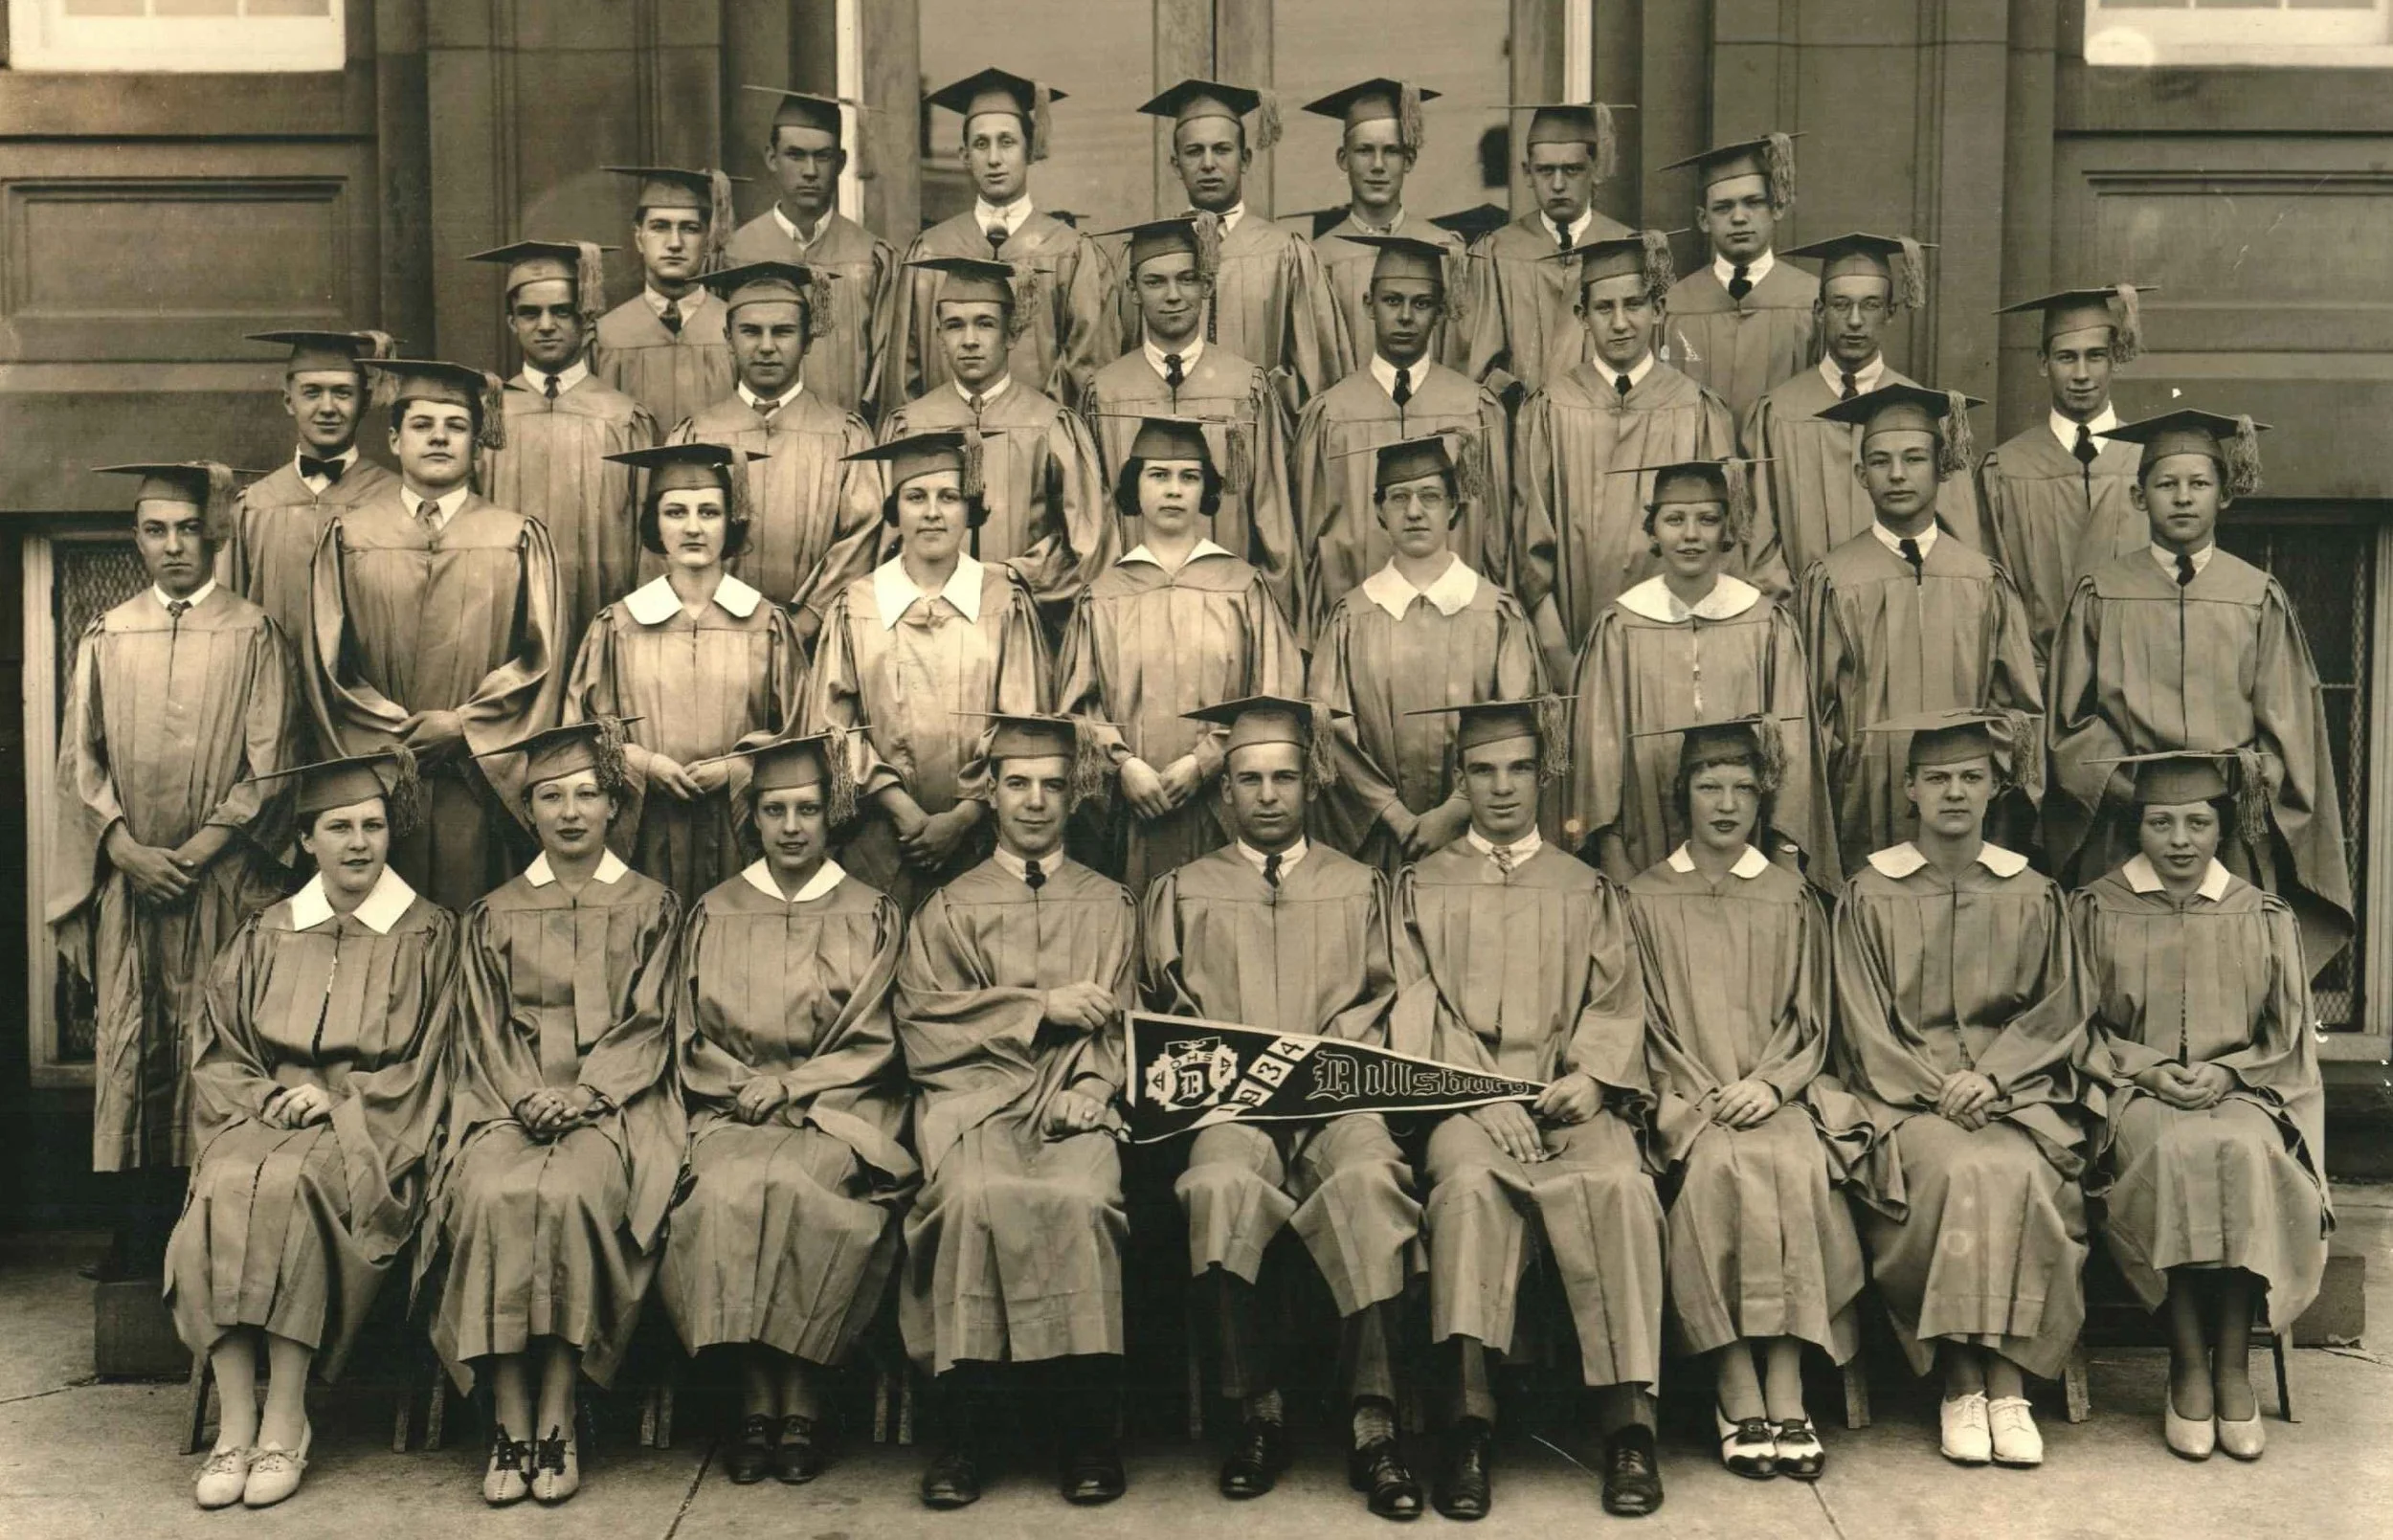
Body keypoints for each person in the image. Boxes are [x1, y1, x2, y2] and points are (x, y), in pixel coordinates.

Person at [1141, 696, 1425, 1521]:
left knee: (1371, 1180)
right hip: (1232, 1106)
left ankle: (1374, 1421)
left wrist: (1322, 1062)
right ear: (1223, 791)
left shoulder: (1360, 886)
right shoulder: (1184, 890)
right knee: (1216, 1187)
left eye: (1285, 778)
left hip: (1339, 1098)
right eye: (1250, 779)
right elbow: (1164, 1011)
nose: (1268, 795)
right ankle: (1257, 1409)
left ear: (1311, 784)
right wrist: (1237, 1073)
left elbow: (1390, 998)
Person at [1387, 697, 1665, 1521]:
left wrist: (1595, 1079)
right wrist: (1477, 1094)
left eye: (1517, 769)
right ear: (1460, 780)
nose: (1502, 787)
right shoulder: (1420, 886)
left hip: (1569, 1102)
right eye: (1482, 770)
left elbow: (1617, 999)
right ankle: (1468, 1427)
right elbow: (1415, 1002)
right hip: (1464, 1103)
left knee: (1622, 1186)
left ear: (1544, 777)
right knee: (1469, 1191)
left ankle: (1629, 1430)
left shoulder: (1585, 887)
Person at [168, 748, 454, 1510]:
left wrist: (341, 1101)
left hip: (370, 1132)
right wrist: (268, 1095)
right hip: (261, 1116)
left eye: (373, 826)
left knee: (292, 1183)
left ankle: (287, 1416)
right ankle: (237, 1419)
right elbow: (220, 1049)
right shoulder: (266, 931)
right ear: (305, 840)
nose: (359, 842)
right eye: (339, 827)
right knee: (224, 1179)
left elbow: (433, 1062)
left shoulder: (429, 933)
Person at [1833, 710, 2094, 1470]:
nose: (1955, 791)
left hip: (2017, 1093)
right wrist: (1937, 1087)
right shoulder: (1869, 894)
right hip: (1905, 1101)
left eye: (1971, 777)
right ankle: (1960, 1379)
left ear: (1994, 787)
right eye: (1938, 777)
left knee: (2017, 1169)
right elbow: (1863, 1023)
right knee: (1957, 1169)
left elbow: (2059, 1010)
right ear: (1910, 788)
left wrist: (1995, 1077)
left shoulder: (2032, 893)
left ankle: (2006, 1384)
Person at [430, 720, 682, 1507]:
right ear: (528, 809)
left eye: (586, 794)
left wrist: (585, 1092)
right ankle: (508, 1413)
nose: (570, 812)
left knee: (572, 1193)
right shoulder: (494, 912)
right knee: (490, 1194)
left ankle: (558, 1411)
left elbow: (652, 1021)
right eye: (550, 796)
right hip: (503, 1106)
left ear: (613, 804)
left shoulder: (654, 906)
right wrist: (524, 1095)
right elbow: (482, 1030)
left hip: (615, 1107)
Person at [53, 462, 295, 1280]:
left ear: (213, 533)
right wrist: (123, 848)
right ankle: (139, 1232)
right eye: (156, 530)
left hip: (217, 878)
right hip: (133, 882)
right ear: (136, 539)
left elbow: (269, 764)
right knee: (136, 1036)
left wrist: (194, 853)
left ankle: (217, 1232)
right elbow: (80, 761)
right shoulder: (107, 633)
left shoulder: (255, 633)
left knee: (213, 1038)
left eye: (188, 528)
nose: (174, 545)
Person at [893, 712, 1135, 1508]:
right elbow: (925, 1024)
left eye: (1052, 786)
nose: (1035, 801)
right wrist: (1037, 1006)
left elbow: (1129, 1017)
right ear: (990, 794)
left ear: (1074, 796)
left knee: (1082, 1196)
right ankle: (967, 1431)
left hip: (1077, 1097)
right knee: (971, 1197)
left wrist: (1094, 1087)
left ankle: (1087, 1431)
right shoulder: (949, 906)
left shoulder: (1110, 904)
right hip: (975, 1100)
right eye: (1018, 784)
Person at [660, 731, 913, 1487]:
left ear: (832, 814)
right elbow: (687, 1031)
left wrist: (796, 1086)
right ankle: (753, 1400)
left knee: (806, 1189)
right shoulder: (715, 910)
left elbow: (878, 1032)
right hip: (731, 1108)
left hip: (841, 1108)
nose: (793, 826)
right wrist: (743, 1084)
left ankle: (802, 1399)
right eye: (775, 810)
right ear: (754, 818)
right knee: (725, 1193)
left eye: (807, 808)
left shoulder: (871, 910)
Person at [1624, 718, 1866, 1485]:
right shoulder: (1644, 897)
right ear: (1683, 794)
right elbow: (1644, 1022)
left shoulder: (1791, 895)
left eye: (1742, 788)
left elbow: (1811, 1016)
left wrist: (1769, 1083)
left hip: (1774, 1094)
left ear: (1764, 797)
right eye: (1709, 787)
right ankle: (1734, 1381)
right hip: (1683, 1099)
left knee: (1793, 1159)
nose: (1726, 804)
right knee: (1718, 1168)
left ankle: (1786, 1381)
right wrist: (1701, 1093)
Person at [2072, 750, 2330, 1462]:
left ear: (2222, 828)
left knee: (2243, 1151)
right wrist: (2149, 1070)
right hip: (2133, 1091)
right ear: (2136, 828)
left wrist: (2226, 1070)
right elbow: (2076, 1026)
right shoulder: (2097, 907)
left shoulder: (2260, 913)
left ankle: (2233, 1366)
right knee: (2175, 1153)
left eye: (2197, 822)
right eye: (2161, 822)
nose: (2180, 839)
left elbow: (2285, 1038)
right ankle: (2187, 1362)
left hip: (2245, 1089)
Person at [2045, 408, 2354, 979]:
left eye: (2199, 484)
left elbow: (2289, 725)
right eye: (2166, 484)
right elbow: (2068, 720)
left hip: (2229, 824)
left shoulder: (2255, 596)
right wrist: (2128, 792)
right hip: (2125, 823)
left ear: (2224, 496)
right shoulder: (2102, 593)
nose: (2183, 498)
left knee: (2228, 975)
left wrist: (2245, 784)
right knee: (2119, 973)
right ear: (2139, 497)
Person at [307, 357, 564, 912]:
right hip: (383, 780)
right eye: (422, 425)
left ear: (478, 444)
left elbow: (540, 660)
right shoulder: (349, 535)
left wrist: (464, 725)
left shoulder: (516, 536)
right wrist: (393, 734)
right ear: (394, 440)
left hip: (477, 782)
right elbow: (328, 663)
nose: (439, 438)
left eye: (457, 426)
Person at [1799, 384, 2041, 877]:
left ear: (1941, 466)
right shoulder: (1832, 580)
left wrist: (1982, 778)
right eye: (1880, 461)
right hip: (1860, 805)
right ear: (1860, 475)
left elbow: (2017, 711)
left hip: (1966, 809)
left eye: (1914, 458)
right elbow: (1811, 717)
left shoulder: (1982, 579)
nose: (1897, 474)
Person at [803, 430, 1050, 910]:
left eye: (949, 497)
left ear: (970, 508)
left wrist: (963, 817)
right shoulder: (856, 605)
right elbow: (833, 725)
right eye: (916, 497)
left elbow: (1023, 721)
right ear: (895, 512)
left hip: (986, 835)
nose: (933, 512)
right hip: (882, 837)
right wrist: (901, 809)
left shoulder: (1005, 601)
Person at [1055, 415, 1302, 893]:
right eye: (1158, 475)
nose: (1173, 490)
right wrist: (1124, 766)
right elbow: (1077, 704)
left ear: (1206, 490)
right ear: (1135, 486)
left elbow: (1274, 694)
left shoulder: (1242, 586)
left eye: (1189, 476)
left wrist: (1205, 762)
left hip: (1227, 807)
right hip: (1133, 811)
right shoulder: (1104, 594)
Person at [1568, 458, 1837, 884]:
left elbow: (1793, 742)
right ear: (1652, 530)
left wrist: (1785, 849)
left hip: (1753, 843)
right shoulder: (1620, 626)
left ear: (1728, 527)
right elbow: (1598, 751)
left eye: (1707, 519)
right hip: (1641, 838)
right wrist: (1611, 850)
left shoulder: (1766, 623)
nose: (1690, 535)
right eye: (1674, 519)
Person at [565, 441, 806, 901]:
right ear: (654, 524)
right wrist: (643, 763)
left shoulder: (766, 622)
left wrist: (738, 765)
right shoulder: (618, 624)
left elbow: (800, 729)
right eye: (675, 512)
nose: (693, 528)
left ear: (731, 522)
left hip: (742, 825)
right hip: (647, 822)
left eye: (709, 512)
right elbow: (583, 729)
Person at [1308, 435, 1545, 872]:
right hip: (1379, 842)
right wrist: (1394, 815)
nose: (1414, 511)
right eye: (1399, 497)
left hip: (1477, 837)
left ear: (1453, 506)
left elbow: (1515, 723)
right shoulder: (1351, 617)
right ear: (1379, 510)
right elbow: (1332, 733)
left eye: (1430, 496)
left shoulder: (1496, 613)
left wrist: (1454, 810)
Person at [1515, 232, 1739, 681]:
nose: (1620, 323)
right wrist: (1560, 657)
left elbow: (1723, 545)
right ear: (1582, 317)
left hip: (1679, 651)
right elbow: (1531, 550)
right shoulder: (1551, 409)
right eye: (1604, 308)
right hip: (1572, 647)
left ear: (1658, 309)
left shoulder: (1696, 409)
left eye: (1633, 305)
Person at [879, 254, 1115, 636]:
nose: (969, 340)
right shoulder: (909, 424)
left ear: (1011, 335)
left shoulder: (1050, 425)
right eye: (955, 326)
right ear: (939, 336)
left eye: (985, 324)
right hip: (925, 629)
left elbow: (1088, 545)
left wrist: (1014, 575)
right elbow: (886, 545)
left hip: (1028, 626)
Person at [1086, 215, 1302, 634]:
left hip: (1231, 613)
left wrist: (1266, 620)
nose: (1173, 296)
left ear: (1207, 285)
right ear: (1133, 291)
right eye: (1155, 282)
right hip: (1130, 618)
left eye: (1187, 279)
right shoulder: (1106, 392)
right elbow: (1096, 524)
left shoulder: (1246, 387)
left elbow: (1273, 518)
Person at [1742, 233, 1986, 595]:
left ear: (1890, 312)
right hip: (1803, 613)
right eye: (1841, 305)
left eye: (1870, 305)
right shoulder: (1777, 412)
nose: (1855, 320)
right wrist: (1804, 610)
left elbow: (1957, 540)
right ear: (1819, 311)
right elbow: (1760, 544)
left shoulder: (1928, 411)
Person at [1292, 234, 1513, 617]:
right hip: (1358, 622)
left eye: (1422, 303)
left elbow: (1498, 543)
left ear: (1440, 311)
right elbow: (1308, 548)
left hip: (1458, 622)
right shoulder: (1330, 414)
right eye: (1392, 301)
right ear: (1369, 305)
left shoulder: (1475, 409)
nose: (1406, 317)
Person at [670, 259, 885, 647]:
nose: (766, 347)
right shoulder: (695, 436)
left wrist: (809, 617)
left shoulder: (845, 435)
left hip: (818, 642)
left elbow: (862, 535)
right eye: (751, 331)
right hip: (716, 639)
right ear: (728, 338)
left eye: (783, 332)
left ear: (808, 340)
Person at [886, 68, 1120, 414]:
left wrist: (1040, 431)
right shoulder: (929, 250)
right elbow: (905, 376)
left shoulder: (1069, 250)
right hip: (945, 437)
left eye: (1007, 142)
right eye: (981, 144)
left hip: (1042, 438)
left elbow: (1086, 366)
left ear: (1030, 150)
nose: (994, 158)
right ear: (964, 156)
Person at [469, 238, 658, 652]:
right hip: (507, 619)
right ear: (511, 323)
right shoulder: (486, 417)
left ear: (586, 320)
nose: (546, 325)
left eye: (561, 311)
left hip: (608, 623)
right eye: (530, 313)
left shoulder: (625, 418)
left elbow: (652, 541)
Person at [1135, 78, 1350, 414]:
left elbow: (1319, 378)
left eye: (1222, 149)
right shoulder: (1150, 256)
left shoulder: (1286, 254)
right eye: (1194, 151)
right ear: (1176, 165)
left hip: (1262, 435)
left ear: (1246, 159)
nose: (1208, 164)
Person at [1983, 285, 2153, 666]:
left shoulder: (2149, 461)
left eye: (2095, 356)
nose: (2081, 374)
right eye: (2066, 358)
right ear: (2043, 363)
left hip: (2135, 679)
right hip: (2037, 684)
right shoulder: (2006, 469)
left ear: (2115, 359)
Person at [225, 327, 400, 663]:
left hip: (367, 689)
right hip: (275, 684)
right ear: (289, 401)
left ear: (364, 402)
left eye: (343, 393)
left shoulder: (395, 499)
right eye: (312, 393)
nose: (328, 407)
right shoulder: (255, 505)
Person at [725, 85, 896, 416]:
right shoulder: (736, 252)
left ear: (841, 162)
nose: (810, 171)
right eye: (795, 155)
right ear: (771, 158)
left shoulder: (870, 257)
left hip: (846, 435)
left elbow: (884, 370)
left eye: (823, 156)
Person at [1458, 102, 1634, 406]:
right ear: (1527, 173)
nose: (1558, 185)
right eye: (1545, 170)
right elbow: (1477, 368)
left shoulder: (1627, 247)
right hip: (1521, 424)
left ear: (1594, 169)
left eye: (1572, 170)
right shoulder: (1497, 253)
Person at [1304, 78, 1466, 372]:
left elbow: (1459, 357)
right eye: (1364, 150)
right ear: (1343, 159)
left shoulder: (1444, 249)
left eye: (1391, 151)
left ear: (1409, 160)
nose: (1378, 165)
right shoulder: (1317, 258)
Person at [1657, 133, 1816, 425]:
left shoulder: (1812, 301)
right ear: (1703, 219)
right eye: (1723, 207)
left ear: (1776, 207)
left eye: (1753, 203)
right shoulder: (1673, 306)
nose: (1739, 218)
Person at [592, 165, 742, 435]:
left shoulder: (739, 329)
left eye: (690, 228)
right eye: (659, 227)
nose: (674, 243)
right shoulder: (606, 336)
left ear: (709, 240)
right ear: (639, 238)